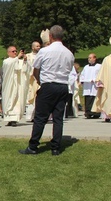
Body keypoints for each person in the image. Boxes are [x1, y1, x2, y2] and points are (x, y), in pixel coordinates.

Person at [19, 25, 74, 156]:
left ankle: (33, 146)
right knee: (58, 118)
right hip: (62, 86)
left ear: (50, 36)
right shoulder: (69, 53)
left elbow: (36, 69)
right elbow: (69, 69)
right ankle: (56, 147)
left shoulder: (44, 51)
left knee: (40, 117)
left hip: (48, 85)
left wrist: (40, 81)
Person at [0, 46, 27, 126]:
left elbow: (24, 69)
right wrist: (18, 57)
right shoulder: (6, 61)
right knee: (9, 100)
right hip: (9, 84)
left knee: (17, 101)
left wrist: (25, 61)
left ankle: (14, 119)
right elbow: (9, 65)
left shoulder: (18, 61)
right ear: (8, 53)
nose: (15, 52)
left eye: (16, 51)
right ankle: (9, 118)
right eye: (13, 51)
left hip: (17, 84)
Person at [79, 53, 101, 118]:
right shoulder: (86, 67)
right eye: (88, 58)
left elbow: (100, 75)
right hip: (87, 85)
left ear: (94, 58)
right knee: (88, 98)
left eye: (90, 58)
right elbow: (82, 75)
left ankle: (96, 113)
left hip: (94, 85)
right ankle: (88, 112)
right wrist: (82, 81)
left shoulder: (99, 66)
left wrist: (94, 80)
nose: (89, 59)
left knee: (94, 98)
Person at [25, 41, 41, 120]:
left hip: (39, 79)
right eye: (37, 46)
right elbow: (27, 66)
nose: (39, 47)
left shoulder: (42, 55)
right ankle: (30, 116)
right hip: (31, 80)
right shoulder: (28, 56)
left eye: (39, 46)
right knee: (31, 97)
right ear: (33, 47)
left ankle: (37, 115)